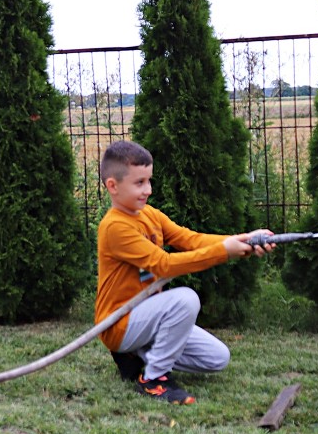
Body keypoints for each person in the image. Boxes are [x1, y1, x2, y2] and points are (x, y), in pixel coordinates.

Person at [94, 140, 273, 404]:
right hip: (119, 324)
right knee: (185, 299)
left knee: (217, 358)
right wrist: (224, 251)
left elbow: (190, 239)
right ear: (113, 185)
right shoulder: (115, 227)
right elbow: (163, 265)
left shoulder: (150, 215)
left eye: (149, 181)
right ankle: (153, 379)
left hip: (150, 318)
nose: (148, 190)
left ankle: (136, 356)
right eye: (139, 183)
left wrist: (244, 239)